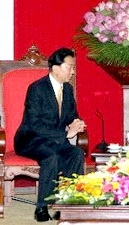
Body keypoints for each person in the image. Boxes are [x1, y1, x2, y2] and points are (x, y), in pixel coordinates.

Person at [14, 47, 86, 222]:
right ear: (55, 68)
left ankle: (68, 204)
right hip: (31, 139)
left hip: (54, 139)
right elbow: (34, 124)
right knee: (51, 156)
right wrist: (67, 133)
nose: (73, 71)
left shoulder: (67, 90)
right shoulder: (37, 89)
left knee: (76, 153)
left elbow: (70, 115)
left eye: (73, 67)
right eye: (70, 67)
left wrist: (77, 122)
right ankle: (42, 207)